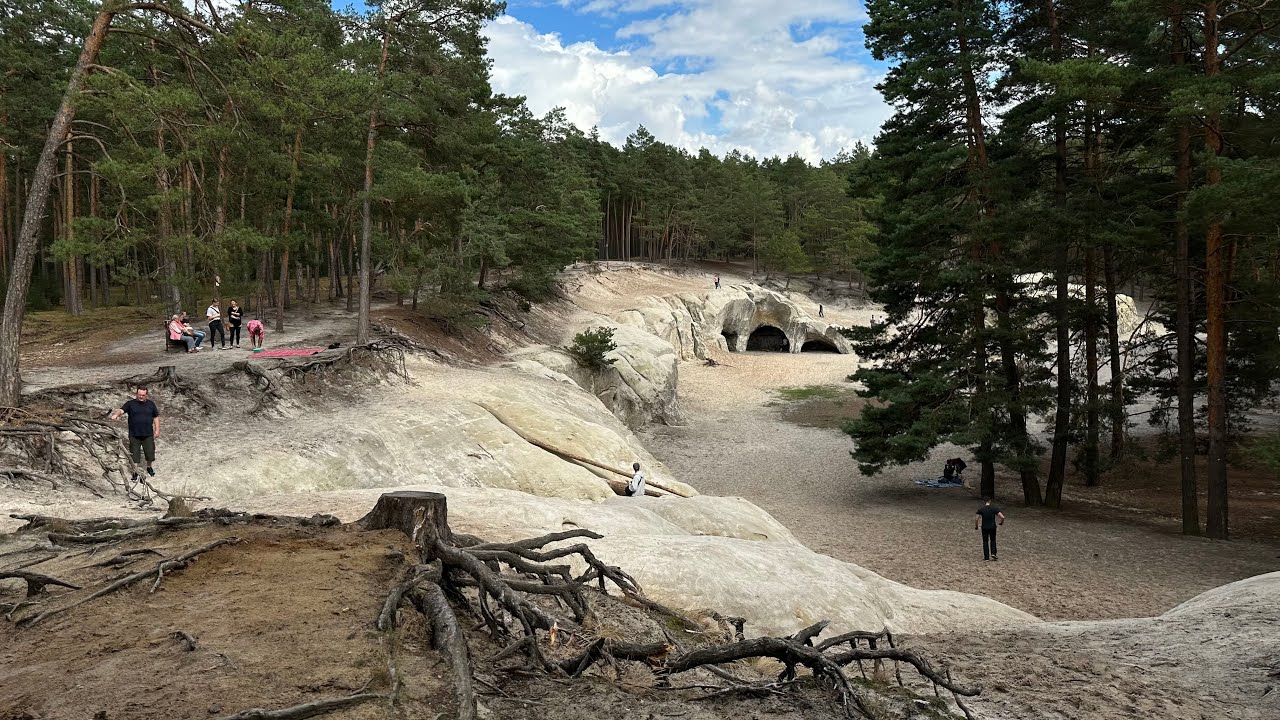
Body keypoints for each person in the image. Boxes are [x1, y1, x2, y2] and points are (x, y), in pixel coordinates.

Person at [109, 386, 161, 480]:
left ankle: (149, 467)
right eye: (139, 395)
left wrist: (157, 430)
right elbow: (121, 410)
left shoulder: (151, 404)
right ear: (136, 394)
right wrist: (116, 415)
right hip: (134, 435)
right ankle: (135, 471)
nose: (141, 397)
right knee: (135, 455)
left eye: (143, 395)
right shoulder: (130, 404)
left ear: (146, 395)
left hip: (148, 434)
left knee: (150, 453)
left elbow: (156, 417)